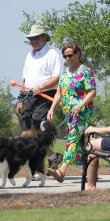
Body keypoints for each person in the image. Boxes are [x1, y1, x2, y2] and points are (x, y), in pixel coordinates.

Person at [16, 24, 64, 177]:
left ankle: (39, 167)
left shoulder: (52, 54)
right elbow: (24, 79)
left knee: (36, 130)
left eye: (36, 37)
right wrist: (20, 99)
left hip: (46, 96)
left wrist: (41, 86)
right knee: (25, 134)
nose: (33, 40)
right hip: (29, 96)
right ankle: (52, 157)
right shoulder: (29, 55)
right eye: (31, 38)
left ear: (44, 37)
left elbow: (57, 78)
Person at [46, 42, 96, 183]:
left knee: (72, 139)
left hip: (82, 112)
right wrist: (52, 108)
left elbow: (92, 92)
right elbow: (59, 92)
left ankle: (62, 171)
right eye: (65, 56)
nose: (67, 58)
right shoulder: (64, 73)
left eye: (70, 55)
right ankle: (90, 171)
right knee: (80, 143)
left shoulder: (85, 71)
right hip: (68, 113)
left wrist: (80, 105)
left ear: (78, 54)